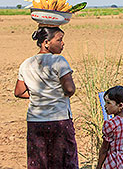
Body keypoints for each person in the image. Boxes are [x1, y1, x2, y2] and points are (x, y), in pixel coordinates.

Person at [14, 26, 78, 169]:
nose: (63, 43)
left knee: (39, 161)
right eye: (59, 40)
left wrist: (39, 94)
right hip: (59, 120)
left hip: (35, 121)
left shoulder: (26, 64)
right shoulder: (58, 61)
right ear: (46, 42)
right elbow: (70, 89)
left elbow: (19, 92)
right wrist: (55, 93)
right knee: (63, 161)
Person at [97, 86, 123, 169]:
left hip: (113, 163)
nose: (105, 106)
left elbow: (104, 149)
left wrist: (99, 166)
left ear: (120, 105)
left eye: (108, 103)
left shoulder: (111, 124)